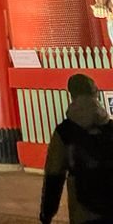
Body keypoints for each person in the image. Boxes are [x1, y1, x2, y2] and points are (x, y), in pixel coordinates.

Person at [40, 73, 113, 224]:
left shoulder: (64, 132)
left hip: (83, 208)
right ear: (95, 93)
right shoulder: (110, 127)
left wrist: (47, 212)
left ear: (72, 94)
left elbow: (54, 175)